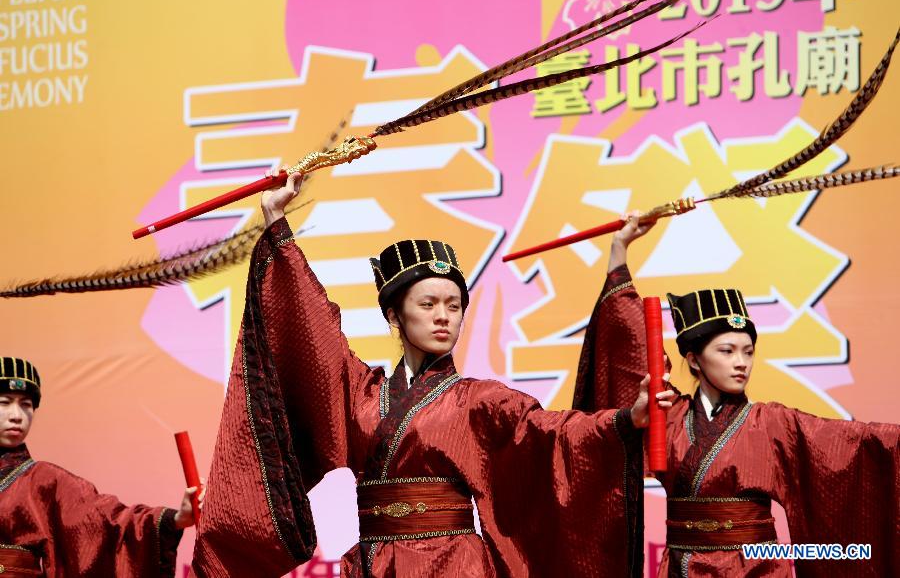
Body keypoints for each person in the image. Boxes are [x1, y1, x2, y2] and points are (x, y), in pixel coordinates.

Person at [191, 173, 673, 578]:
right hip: (376, 561)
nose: (444, 316)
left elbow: (553, 434)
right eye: (428, 304)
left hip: (454, 563)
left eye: (454, 305)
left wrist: (625, 418)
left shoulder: (480, 401)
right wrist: (276, 218)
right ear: (395, 318)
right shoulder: (360, 390)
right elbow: (310, 330)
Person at [573, 213, 900, 577]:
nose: (741, 362)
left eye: (748, 351)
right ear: (694, 360)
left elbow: (857, 445)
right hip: (680, 568)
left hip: (754, 569)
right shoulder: (667, 412)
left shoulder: (775, 423)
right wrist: (619, 247)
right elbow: (628, 340)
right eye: (727, 351)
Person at [0, 356, 199, 577]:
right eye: (5, 402)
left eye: (26, 405)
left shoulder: (45, 481)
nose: (17, 416)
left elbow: (110, 524)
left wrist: (176, 518)